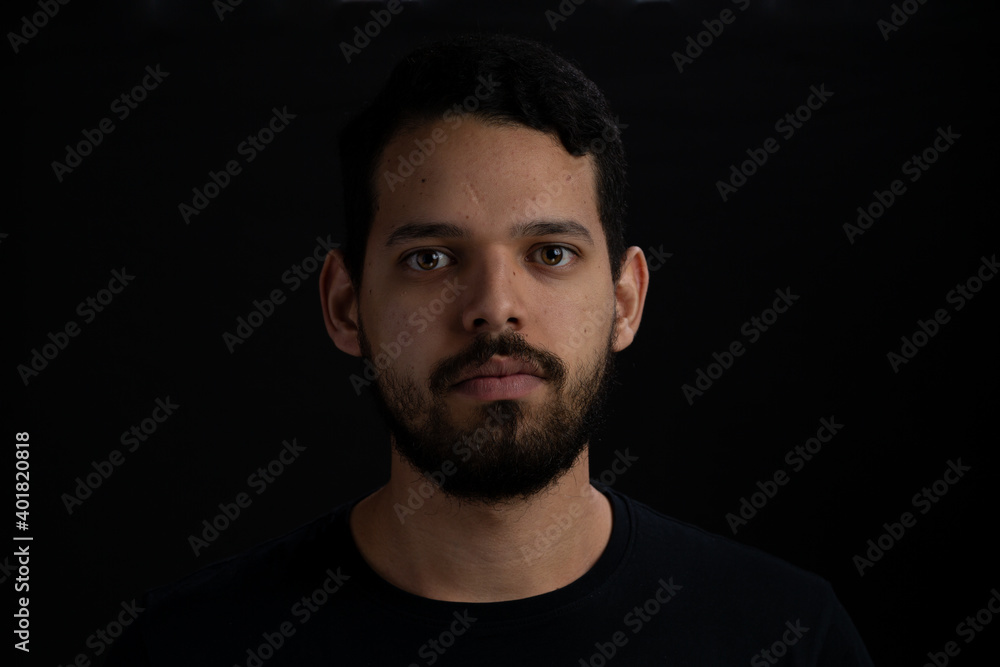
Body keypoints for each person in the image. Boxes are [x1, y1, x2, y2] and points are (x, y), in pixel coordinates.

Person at [107, 33, 873, 665]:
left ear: (625, 300)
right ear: (346, 306)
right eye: (431, 258)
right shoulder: (184, 648)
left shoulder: (789, 637)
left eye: (550, 253)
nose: (494, 309)